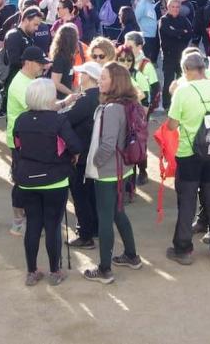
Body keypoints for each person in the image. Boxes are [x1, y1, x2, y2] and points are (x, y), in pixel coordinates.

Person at [166, 52, 210, 267]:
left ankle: (183, 249)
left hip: (189, 153)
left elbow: (171, 125)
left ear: (185, 70)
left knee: (187, 201)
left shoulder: (182, 91)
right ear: (203, 69)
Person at [11, 78, 82, 287]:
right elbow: (75, 145)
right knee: (52, 225)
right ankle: (55, 271)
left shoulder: (21, 120)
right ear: (49, 97)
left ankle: (32, 271)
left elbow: (18, 147)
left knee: (33, 224)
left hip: (27, 180)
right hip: (54, 180)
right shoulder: (58, 121)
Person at [83, 62, 144, 284]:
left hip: (108, 172)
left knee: (105, 219)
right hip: (123, 169)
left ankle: (104, 269)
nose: (100, 80)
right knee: (118, 213)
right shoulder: (130, 104)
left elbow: (107, 145)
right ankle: (131, 255)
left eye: (104, 77)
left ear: (115, 82)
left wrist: (95, 163)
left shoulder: (111, 109)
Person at [6, 45, 51, 235]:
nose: (43, 67)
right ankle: (18, 222)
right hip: (19, 141)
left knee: (29, 180)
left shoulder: (31, 80)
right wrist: (65, 104)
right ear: (29, 63)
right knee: (21, 182)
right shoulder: (20, 83)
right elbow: (38, 107)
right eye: (40, 63)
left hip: (29, 139)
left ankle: (30, 219)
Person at [64, 62, 103, 249]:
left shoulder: (86, 99)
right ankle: (94, 227)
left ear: (88, 77)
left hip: (82, 154)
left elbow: (66, 120)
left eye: (82, 74)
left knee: (80, 194)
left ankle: (85, 233)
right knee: (91, 193)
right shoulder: (101, 97)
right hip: (95, 152)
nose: (79, 77)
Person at [158, 0, 192, 109]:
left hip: (182, 55)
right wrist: (181, 32)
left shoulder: (184, 19)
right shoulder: (164, 20)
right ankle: (167, 105)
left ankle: (181, 103)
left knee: (183, 79)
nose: (175, 9)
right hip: (168, 55)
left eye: (177, 7)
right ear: (168, 7)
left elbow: (189, 33)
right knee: (168, 80)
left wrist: (177, 32)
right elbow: (169, 33)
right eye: (173, 7)